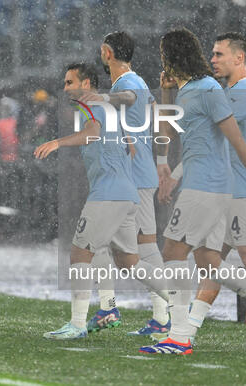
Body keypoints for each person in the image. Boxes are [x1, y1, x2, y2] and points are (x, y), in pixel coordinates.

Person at [140, 28, 246, 355]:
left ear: (239, 58)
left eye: (219, 54)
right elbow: (196, 132)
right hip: (227, 187)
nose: (213, 59)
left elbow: (222, 136)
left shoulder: (241, 92)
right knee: (210, 262)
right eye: (211, 54)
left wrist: (176, 172)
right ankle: (188, 330)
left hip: (239, 189)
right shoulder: (216, 90)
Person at [37, 63, 168, 340]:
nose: (65, 88)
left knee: (79, 254)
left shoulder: (92, 107)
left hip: (108, 195)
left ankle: (76, 325)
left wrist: (57, 143)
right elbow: (130, 147)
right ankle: (178, 301)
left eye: (69, 82)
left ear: (86, 83)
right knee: (130, 262)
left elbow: (93, 134)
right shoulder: (112, 112)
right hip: (127, 194)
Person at [77, 31, 170, 338]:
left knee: (142, 250)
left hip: (134, 179)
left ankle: (167, 312)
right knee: (104, 244)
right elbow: (155, 114)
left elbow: (129, 100)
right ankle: (111, 308)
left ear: (107, 52)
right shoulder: (139, 81)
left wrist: (101, 98)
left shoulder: (127, 84)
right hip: (133, 176)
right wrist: (159, 159)